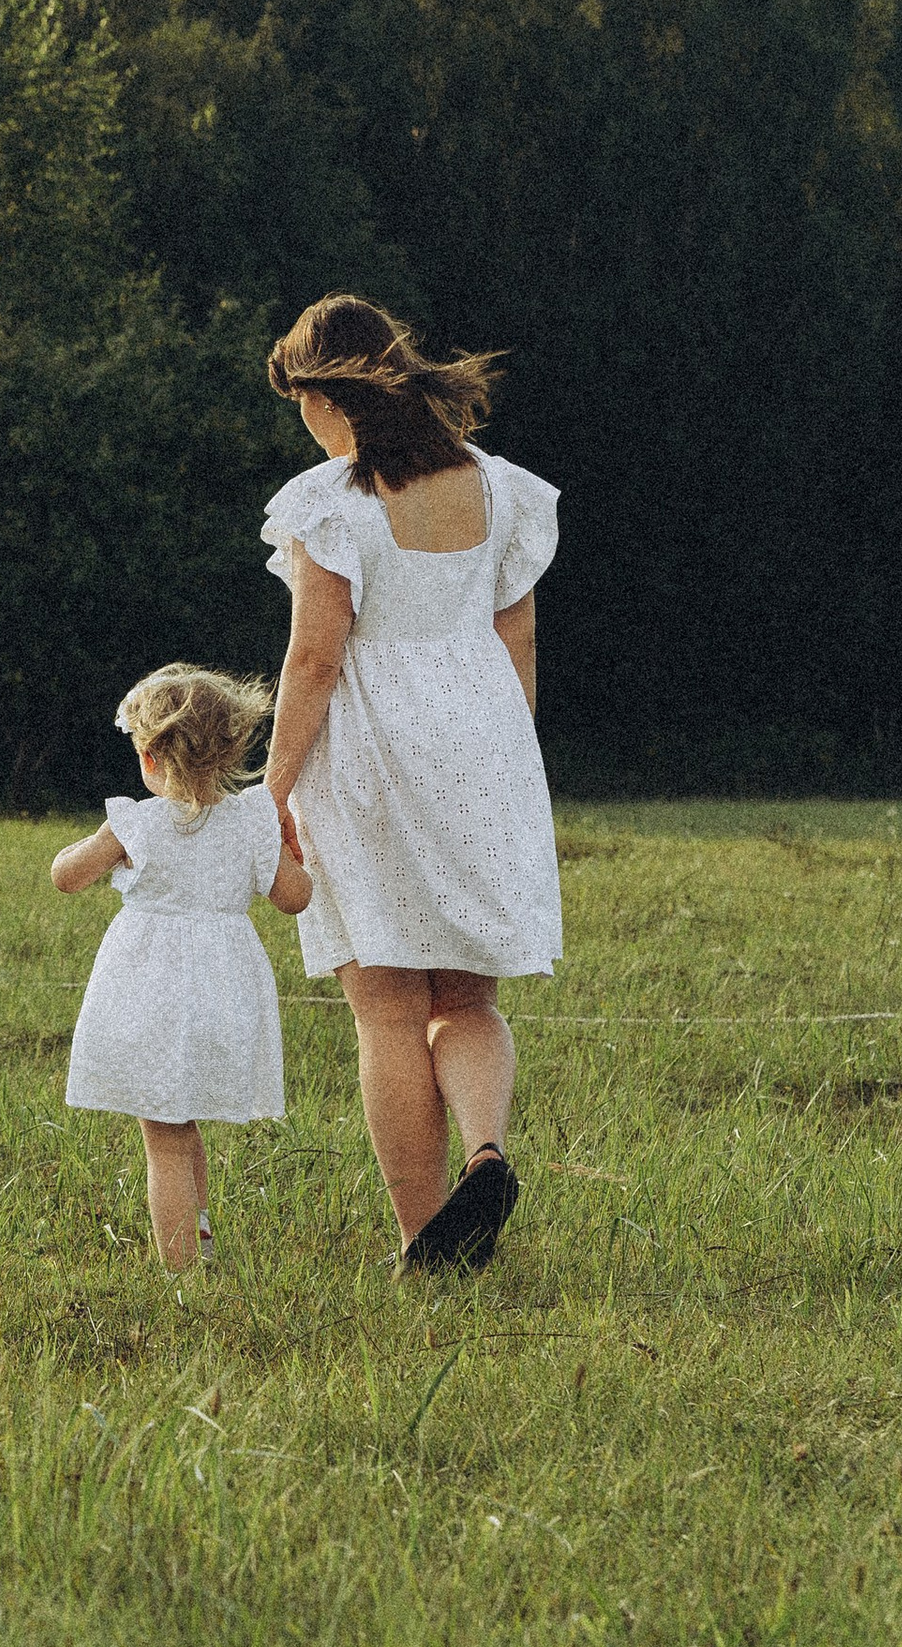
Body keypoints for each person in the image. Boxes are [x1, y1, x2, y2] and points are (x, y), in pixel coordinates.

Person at [259, 293, 561, 1274]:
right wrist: (505, 761)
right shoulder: (503, 490)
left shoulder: (329, 502)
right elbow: (515, 636)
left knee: (385, 1007)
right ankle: (484, 1149)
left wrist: (272, 786)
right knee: (465, 1000)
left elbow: (314, 658)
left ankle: (423, 1239)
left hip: (372, 751)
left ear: (323, 393)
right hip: (481, 743)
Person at [52, 666, 312, 1270]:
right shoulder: (252, 820)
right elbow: (294, 898)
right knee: (183, 1124)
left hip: (152, 997)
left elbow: (67, 876)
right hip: (224, 995)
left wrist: (97, 841)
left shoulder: (136, 824)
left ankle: (182, 1275)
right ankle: (202, 1248)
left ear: (148, 757)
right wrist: (289, 852)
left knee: (163, 1138)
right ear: (230, 750)